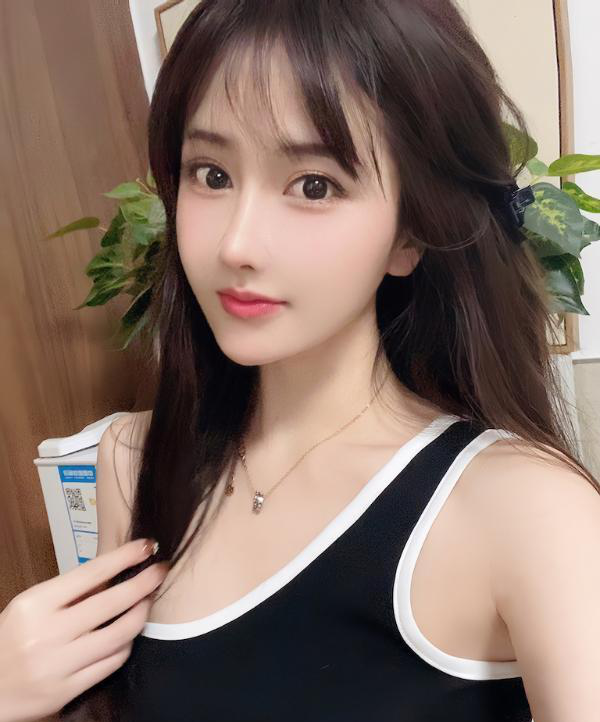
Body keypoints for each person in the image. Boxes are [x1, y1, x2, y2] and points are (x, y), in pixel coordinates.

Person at [3, 0, 600, 720]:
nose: (236, 244)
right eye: (210, 174)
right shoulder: (133, 463)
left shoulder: (527, 510)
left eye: (314, 185)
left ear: (410, 234)